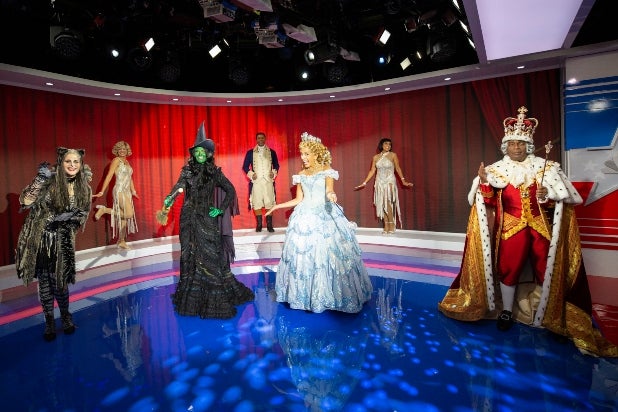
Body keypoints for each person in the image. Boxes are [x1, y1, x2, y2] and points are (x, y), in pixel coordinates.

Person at [438, 106, 618, 357]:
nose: (517, 148)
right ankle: (506, 311)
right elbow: (486, 203)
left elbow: (562, 202)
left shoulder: (547, 168)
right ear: (506, 146)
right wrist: (485, 183)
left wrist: (548, 195)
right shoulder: (495, 170)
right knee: (508, 269)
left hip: (540, 228)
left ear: (528, 146)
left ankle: (550, 315)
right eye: (512, 144)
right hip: (510, 229)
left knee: (548, 270)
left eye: (521, 144)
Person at [265, 132, 373, 313]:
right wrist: (277, 206)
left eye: (307, 154)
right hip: (304, 216)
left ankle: (329, 295)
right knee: (303, 257)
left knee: (327, 256)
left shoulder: (326, 170)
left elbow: (329, 190)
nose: (303, 157)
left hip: (324, 214)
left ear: (316, 154)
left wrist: (331, 195)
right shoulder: (301, 174)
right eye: (302, 154)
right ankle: (305, 296)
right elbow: (298, 199)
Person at [158, 122, 254, 319]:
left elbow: (230, 190)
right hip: (188, 219)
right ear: (193, 153)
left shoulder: (215, 172)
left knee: (210, 254)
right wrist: (169, 199)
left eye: (204, 151)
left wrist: (220, 209)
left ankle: (213, 296)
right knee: (189, 253)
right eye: (197, 151)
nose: (200, 154)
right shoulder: (187, 171)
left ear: (209, 154)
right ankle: (193, 297)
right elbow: (178, 187)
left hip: (206, 219)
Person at [15, 147, 92, 341]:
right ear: (61, 162)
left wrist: (70, 219)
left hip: (62, 240)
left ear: (80, 164)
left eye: (76, 161)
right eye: (68, 161)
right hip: (40, 239)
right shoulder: (49, 180)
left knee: (59, 281)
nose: (72, 165)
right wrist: (40, 179)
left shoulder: (84, 187)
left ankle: (65, 316)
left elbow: (83, 214)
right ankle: (49, 320)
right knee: (44, 282)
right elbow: (26, 201)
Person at [356, 138, 413, 234]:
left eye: (390, 144)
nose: (388, 146)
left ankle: (392, 225)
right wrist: (364, 182)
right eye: (386, 144)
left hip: (389, 181)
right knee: (382, 204)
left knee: (388, 203)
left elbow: (398, 168)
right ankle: (386, 225)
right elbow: (372, 171)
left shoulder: (393, 155)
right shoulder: (376, 157)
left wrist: (403, 181)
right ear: (381, 145)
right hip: (379, 182)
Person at [93, 141, 138, 249]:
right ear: (117, 151)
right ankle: (104, 210)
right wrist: (102, 191)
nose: (122, 151)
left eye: (124, 149)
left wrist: (134, 191)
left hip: (127, 192)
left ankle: (121, 241)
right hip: (119, 190)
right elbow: (109, 176)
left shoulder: (127, 162)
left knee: (124, 218)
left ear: (127, 151)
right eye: (120, 149)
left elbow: (130, 178)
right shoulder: (116, 160)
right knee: (129, 214)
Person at [242, 132, 280, 232]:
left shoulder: (272, 152)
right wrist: (251, 174)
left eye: (262, 138)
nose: (260, 140)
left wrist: (273, 172)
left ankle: (269, 225)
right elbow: (245, 166)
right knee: (257, 202)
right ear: (256, 140)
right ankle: (259, 225)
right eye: (259, 138)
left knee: (269, 202)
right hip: (256, 182)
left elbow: (276, 165)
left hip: (268, 181)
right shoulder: (250, 153)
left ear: (265, 139)